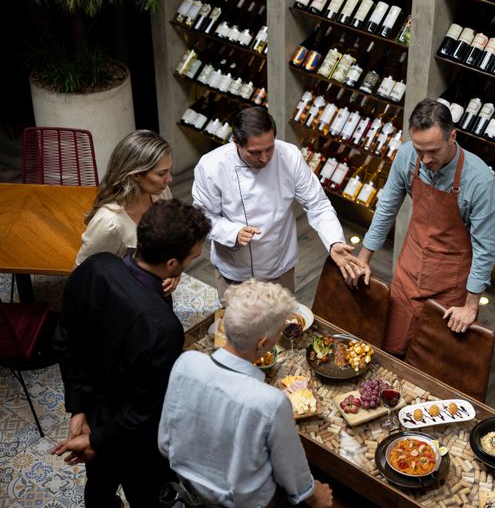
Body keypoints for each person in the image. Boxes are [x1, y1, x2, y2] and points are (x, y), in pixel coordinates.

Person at [51, 199, 211, 507]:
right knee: (148, 495)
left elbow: (65, 341)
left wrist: (79, 408)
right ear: (172, 264)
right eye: (192, 257)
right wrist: (97, 439)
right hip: (134, 438)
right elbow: (144, 408)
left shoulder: (95, 266)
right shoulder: (163, 328)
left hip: (94, 413)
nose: (193, 261)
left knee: (99, 486)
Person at [158, 279, 333, 508]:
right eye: (279, 332)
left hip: (185, 494)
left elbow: (165, 444)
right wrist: (314, 496)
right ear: (262, 344)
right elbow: (293, 475)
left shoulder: (186, 362)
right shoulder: (271, 402)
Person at [349, 99, 495, 355]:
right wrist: (363, 258)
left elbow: (486, 248)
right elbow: (386, 208)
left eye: (433, 151)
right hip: (409, 267)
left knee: (431, 358)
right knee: (390, 347)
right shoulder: (407, 155)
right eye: (420, 150)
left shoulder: (479, 180)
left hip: (449, 282)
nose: (426, 159)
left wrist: (471, 305)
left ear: (452, 136)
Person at [192, 106, 363, 298]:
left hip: (279, 266)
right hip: (234, 270)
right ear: (235, 142)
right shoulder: (212, 166)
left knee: (283, 317)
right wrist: (232, 232)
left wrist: (334, 241)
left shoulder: (289, 156)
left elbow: (317, 204)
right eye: (255, 152)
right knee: (234, 318)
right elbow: (202, 216)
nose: (264, 158)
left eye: (269, 148)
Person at [75, 129, 179, 295]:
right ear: (136, 175)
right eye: (161, 174)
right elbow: (81, 275)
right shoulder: (109, 223)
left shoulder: (161, 193)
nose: (169, 179)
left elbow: (170, 235)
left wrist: (174, 272)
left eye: (169, 171)